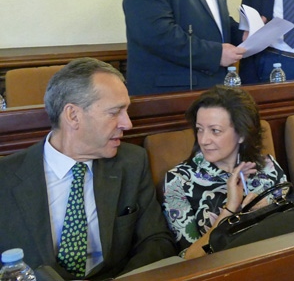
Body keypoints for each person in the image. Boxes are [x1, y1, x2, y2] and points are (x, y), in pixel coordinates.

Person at [0, 58, 176, 280]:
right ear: (73, 116)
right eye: (115, 112)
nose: (128, 124)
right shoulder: (5, 177)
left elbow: (156, 240)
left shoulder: (131, 162)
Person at [162, 86, 287, 259]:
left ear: (242, 134)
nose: (204, 140)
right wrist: (229, 210)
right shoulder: (178, 181)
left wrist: (269, 211)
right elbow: (188, 258)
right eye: (199, 129)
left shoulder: (268, 167)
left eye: (215, 131)